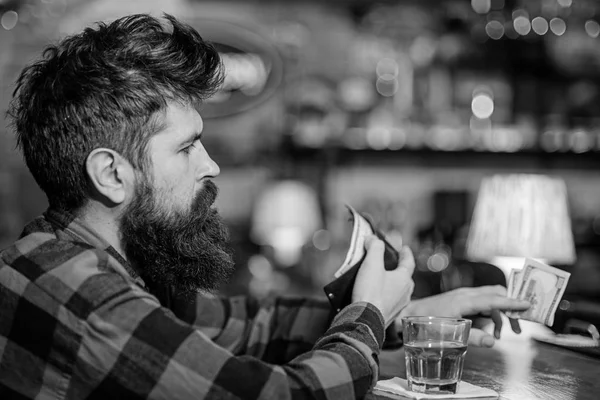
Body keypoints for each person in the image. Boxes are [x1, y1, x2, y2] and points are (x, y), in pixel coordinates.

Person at [0, 14, 529, 400]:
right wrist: (367, 318)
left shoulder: (96, 263)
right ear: (112, 174)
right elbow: (276, 396)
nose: (212, 166)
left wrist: (405, 318)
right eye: (186, 147)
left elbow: (249, 325)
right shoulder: (82, 296)